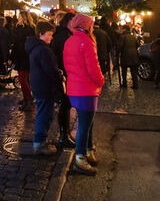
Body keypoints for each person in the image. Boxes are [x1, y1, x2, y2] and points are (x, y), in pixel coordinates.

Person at [63, 13, 105, 175]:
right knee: (85, 125)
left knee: (86, 123)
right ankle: (80, 158)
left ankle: (87, 151)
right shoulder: (86, 42)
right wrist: (101, 80)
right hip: (87, 89)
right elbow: (93, 68)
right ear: (87, 26)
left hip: (74, 88)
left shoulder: (70, 41)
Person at [27, 21, 61, 156]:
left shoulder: (36, 48)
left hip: (38, 85)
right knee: (44, 114)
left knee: (44, 113)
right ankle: (39, 144)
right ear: (41, 34)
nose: (51, 37)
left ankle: (41, 141)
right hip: (44, 86)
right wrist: (59, 78)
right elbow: (51, 71)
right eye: (49, 34)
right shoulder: (43, 50)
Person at [51, 11, 76, 147]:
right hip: (64, 75)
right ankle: (63, 135)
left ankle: (65, 134)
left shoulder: (64, 35)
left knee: (66, 105)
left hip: (66, 74)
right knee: (64, 105)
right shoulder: (63, 36)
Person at [11, 13, 36, 110]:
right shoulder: (22, 28)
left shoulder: (27, 29)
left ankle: (28, 99)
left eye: (19, 17)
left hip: (24, 57)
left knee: (22, 79)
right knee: (24, 79)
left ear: (24, 18)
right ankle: (26, 98)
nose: (18, 18)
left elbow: (18, 44)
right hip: (22, 56)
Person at [119, 25, 140, 89]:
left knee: (124, 71)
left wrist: (118, 52)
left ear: (124, 29)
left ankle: (124, 84)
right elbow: (137, 45)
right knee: (134, 71)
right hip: (134, 56)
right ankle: (135, 85)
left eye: (122, 28)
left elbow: (120, 46)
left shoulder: (122, 37)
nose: (121, 30)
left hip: (125, 56)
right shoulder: (133, 37)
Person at [92, 20, 112, 85]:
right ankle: (102, 78)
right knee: (102, 66)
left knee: (95, 66)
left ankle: (96, 79)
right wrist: (107, 51)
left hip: (94, 54)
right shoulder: (104, 33)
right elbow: (109, 43)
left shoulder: (91, 33)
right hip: (103, 54)